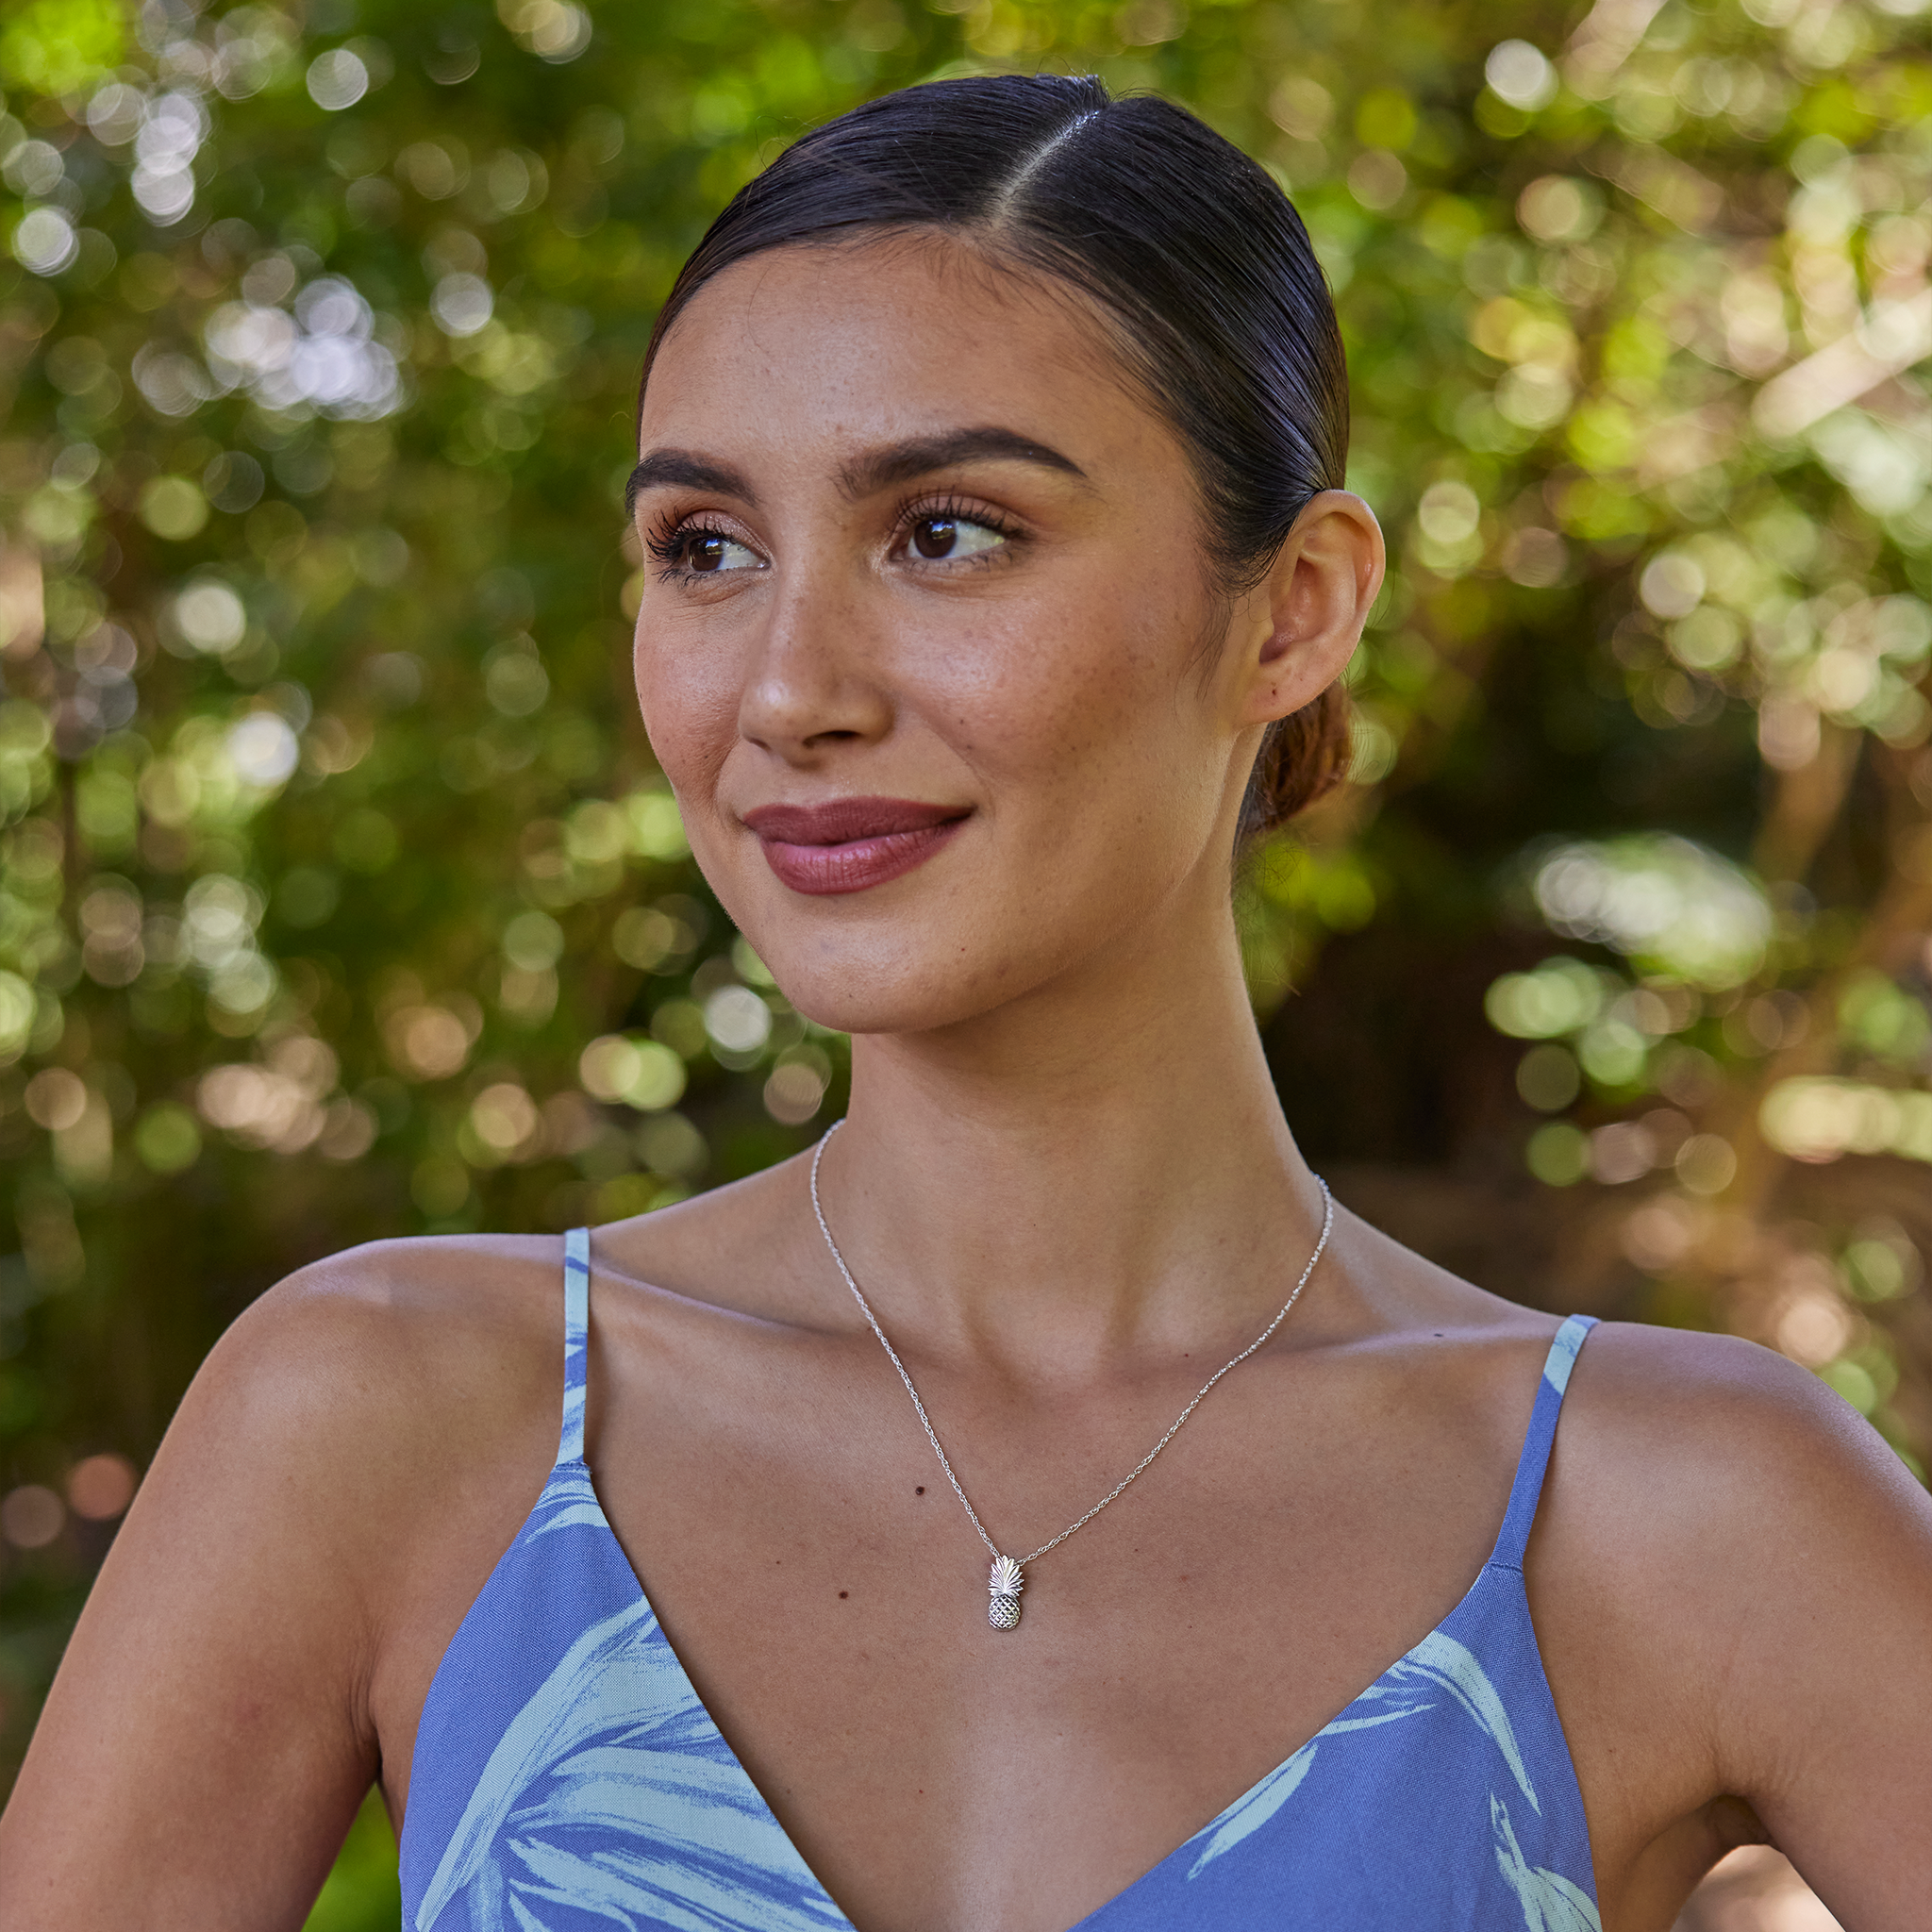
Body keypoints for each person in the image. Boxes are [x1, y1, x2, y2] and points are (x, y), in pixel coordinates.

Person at [2, 71, 1927, 1932]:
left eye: (945, 532)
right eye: (706, 549)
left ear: (1293, 609)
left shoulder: (1673, 1513)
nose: (788, 691)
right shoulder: (392, 1415)